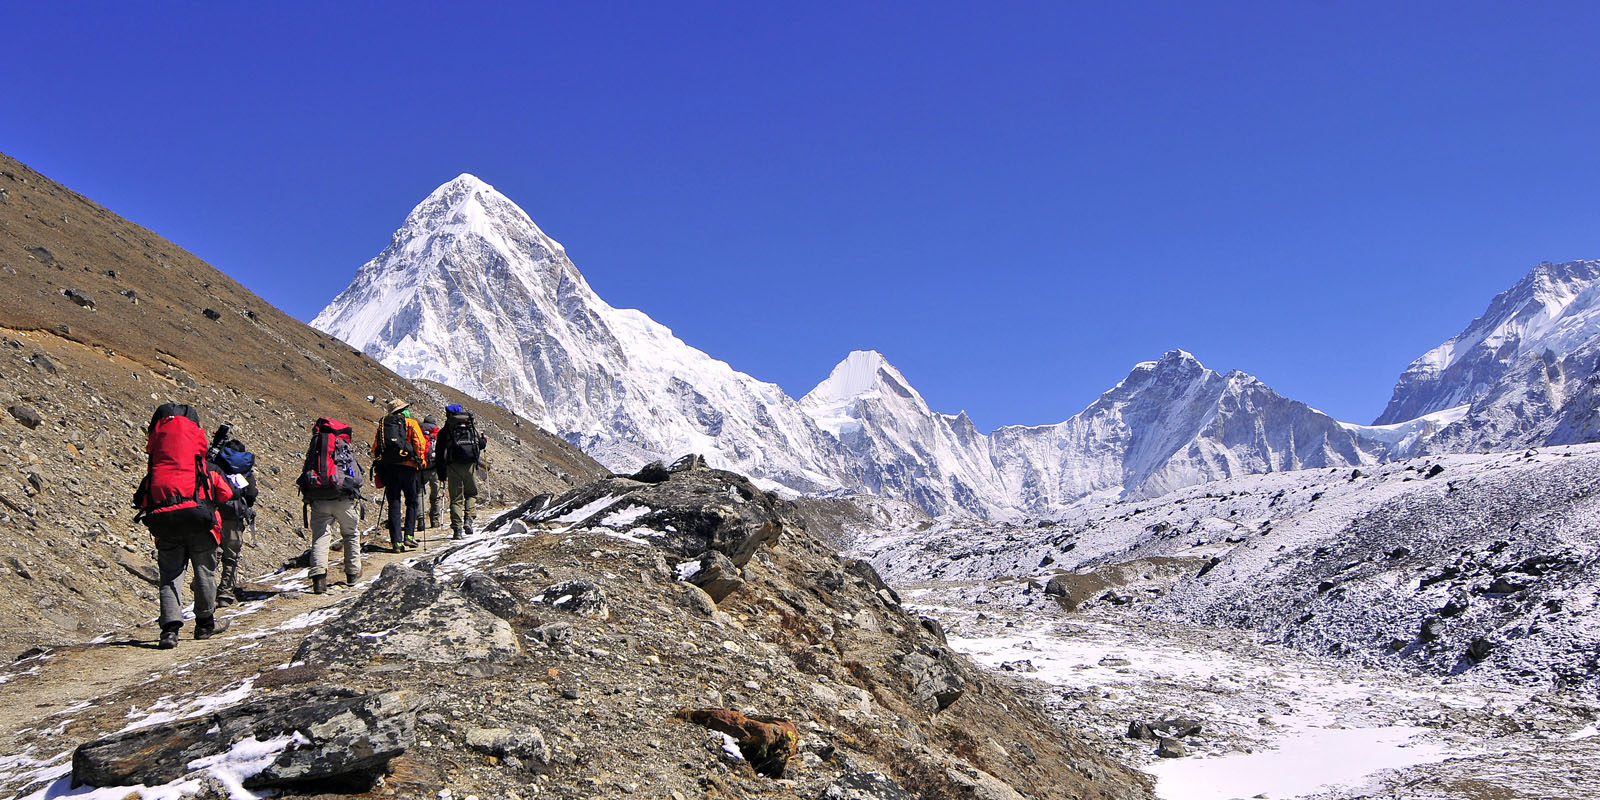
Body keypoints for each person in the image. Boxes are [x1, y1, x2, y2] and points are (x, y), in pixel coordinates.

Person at [133, 404, 235, 649]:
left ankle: (169, 630)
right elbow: (226, 493)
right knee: (205, 573)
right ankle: (204, 624)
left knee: (170, 576)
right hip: (202, 524)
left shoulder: (156, 470)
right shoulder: (204, 467)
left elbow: (141, 500)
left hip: (167, 528)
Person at [297, 417, 365, 593]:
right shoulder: (343, 449)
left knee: (320, 536)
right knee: (350, 533)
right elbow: (357, 477)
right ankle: (353, 572)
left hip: (319, 499)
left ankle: (319, 579)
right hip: (343, 499)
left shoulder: (316, 449)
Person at [206, 424, 259, 605]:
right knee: (231, 556)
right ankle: (225, 593)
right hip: (235, 516)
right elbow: (251, 493)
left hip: (215, 512)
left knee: (213, 552)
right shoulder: (245, 471)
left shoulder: (216, 465)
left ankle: (205, 587)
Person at [371, 398, 429, 552]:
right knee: (412, 502)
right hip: (409, 468)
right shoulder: (410, 423)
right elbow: (420, 443)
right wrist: (421, 461)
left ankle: (396, 542)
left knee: (394, 504)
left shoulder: (384, 425)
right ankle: (409, 536)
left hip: (390, 469)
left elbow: (375, 448)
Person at [436, 403, 487, 540]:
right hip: (470, 465)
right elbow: (480, 445)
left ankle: (457, 529)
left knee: (456, 499)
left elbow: (439, 454)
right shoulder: (470, 427)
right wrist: (484, 441)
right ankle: (469, 519)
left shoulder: (444, 432)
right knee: (471, 494)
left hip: (452, 467)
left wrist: (441, 473)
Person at [419, 415, 443, 530]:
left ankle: (421, 520)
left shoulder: (419, 431)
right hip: (435, 468)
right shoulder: (437, 433)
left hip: (421, 468)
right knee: (436, 495)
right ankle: (435, 520)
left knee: (421, 493)